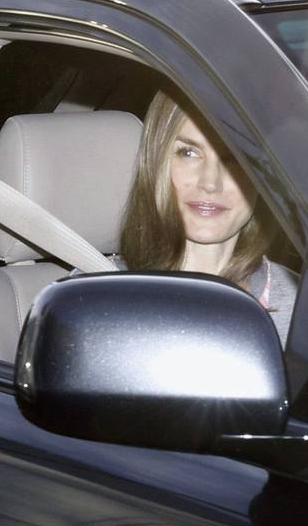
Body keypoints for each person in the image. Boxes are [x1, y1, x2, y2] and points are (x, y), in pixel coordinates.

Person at [119, 92, 297, 340]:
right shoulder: (89, 295)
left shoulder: (305, 309)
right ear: (156, 160)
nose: (210, 183)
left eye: (236, 158)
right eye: (189, 153)